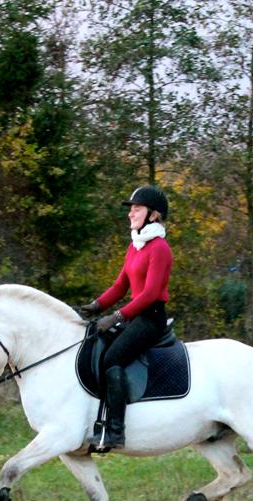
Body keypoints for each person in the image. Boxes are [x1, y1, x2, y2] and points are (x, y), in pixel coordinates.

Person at [79, 185, 173, 450]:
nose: (131, 213)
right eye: (131, 209)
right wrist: (96, 306)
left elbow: (151, 293)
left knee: (113, 358)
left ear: (153, 215)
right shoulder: (135, 246)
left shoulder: (159, 248)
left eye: (137, 209)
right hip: (134, 318)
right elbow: (121, 285)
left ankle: (115, 432)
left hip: (150, 319)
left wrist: (116, 316)